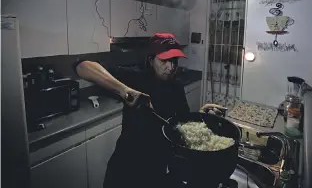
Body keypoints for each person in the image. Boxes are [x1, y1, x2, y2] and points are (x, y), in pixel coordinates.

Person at [75, 33, 226, 188]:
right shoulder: (135, 78)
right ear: (151, 59)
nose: (171, 67)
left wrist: (202, 115)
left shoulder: (177, 87)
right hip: (126, 168)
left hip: (157, 168)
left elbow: (181, 124)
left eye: (174, 60)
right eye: (164, 60)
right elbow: (82, 66)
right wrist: (124, 90)